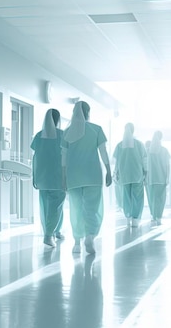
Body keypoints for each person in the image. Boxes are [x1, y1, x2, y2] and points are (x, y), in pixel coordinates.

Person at [61, 101, 112, 254]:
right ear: (88, 113)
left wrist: (63, 178)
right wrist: (109, 170)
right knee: (93, 208)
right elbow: (103, 152)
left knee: (76, 209)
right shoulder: (96, 130)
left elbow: (63, 158)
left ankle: (77, 243)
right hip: (92, 176)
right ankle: (90, 236)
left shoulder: (67, 133)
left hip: (73, 176)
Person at [31, 109, 66, 248]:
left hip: (42, 177)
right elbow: (67, 157)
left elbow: (35, 158)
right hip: (57, 177)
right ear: (58, 120)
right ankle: (48, 235)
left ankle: (55, 231)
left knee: (46, 207)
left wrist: (34, 177)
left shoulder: (39, 136)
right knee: (56, 207)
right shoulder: (62, 135)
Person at [113, 123, 147, 227]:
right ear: (133, 130)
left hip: (125, 175)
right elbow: (144, 160)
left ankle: (128, 217)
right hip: (137, 175)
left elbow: (116, 161)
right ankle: (135, 220)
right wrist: (146, 171)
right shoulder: (139, 144)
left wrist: (116, 173)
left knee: (126, 197)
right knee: (138, 197)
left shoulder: (119, 145)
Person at [146, 130, 170, 225]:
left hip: (151, 179)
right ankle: (159, 216)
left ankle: (153, 215)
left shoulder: (148, 151)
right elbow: (168, 165)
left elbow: (145, 165)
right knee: (161, 198)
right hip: (161, 178)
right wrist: (167, 177)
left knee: (152, 198)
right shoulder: (164, 150)